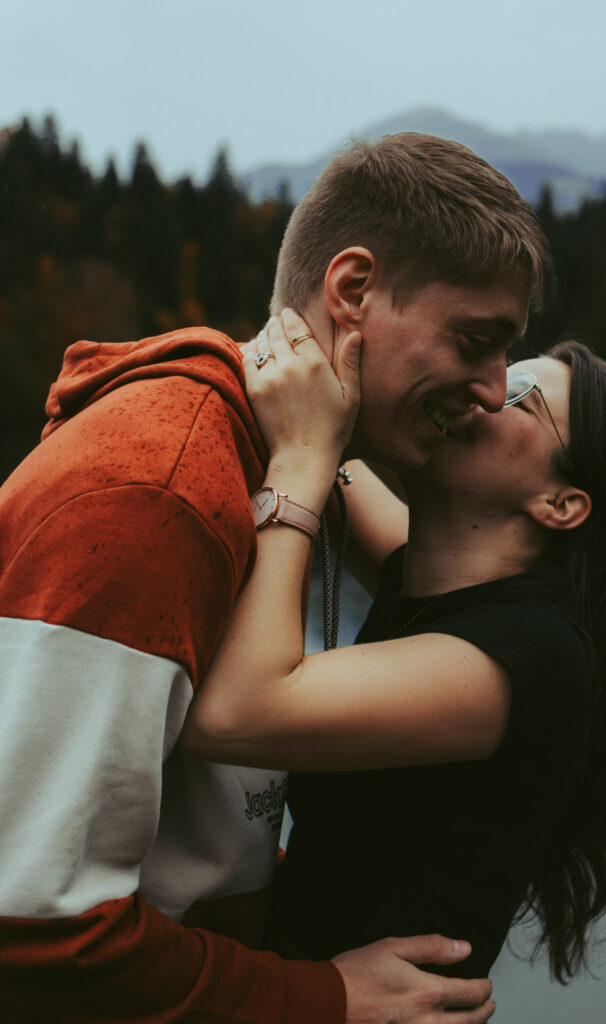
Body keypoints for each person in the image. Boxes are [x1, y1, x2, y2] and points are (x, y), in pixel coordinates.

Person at [0, 133, 552, 1023]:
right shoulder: (157, 491)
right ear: (354, 291)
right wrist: (317, 995)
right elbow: (29, 921)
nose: (492, 392)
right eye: (475, 341)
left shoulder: (283, 463)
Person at [182, 313, 606, 987]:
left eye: (519, 390)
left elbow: (235, 711)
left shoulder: (526, 654)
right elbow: (341, 457)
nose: (487, 390)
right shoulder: (433, 577)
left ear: (559, 503)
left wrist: (299, 460)